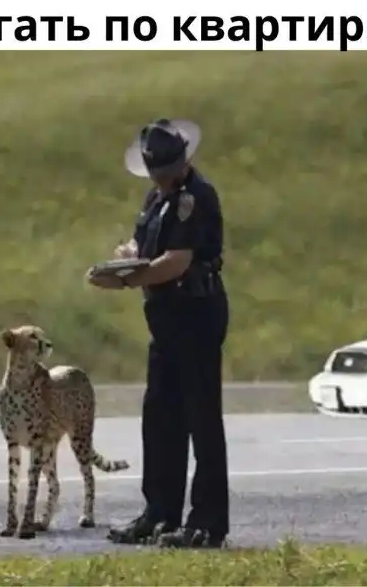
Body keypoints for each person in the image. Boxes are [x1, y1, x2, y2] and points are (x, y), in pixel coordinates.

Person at [86, 118, 230, 549]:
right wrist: (126, 257)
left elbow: (177, 261)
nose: (160, 179)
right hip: (165, 317)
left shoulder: (194, 198)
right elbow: (144, 245)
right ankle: (159, 512)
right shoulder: (156, 198)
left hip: (196, 313)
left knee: (201, 418)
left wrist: (127, 280)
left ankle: (207, 522)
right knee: (161, 416)